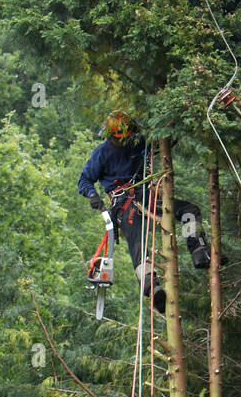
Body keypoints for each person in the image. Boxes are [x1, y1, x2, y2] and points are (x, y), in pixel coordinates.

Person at [79, 111, 211, 314]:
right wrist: (92, 196)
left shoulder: (138, 143)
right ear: (115, 135)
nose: (125, 141)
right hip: (124, 204)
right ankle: (152, 288)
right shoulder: (102, 153)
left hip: (147, 196)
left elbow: (164, 142)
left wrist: (173, 118)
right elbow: (84, 180)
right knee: (138, 245)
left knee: (189, 211)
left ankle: (199, 251)